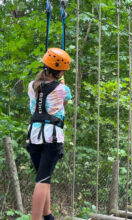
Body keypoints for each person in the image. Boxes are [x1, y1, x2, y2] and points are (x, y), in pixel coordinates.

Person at [26, 48, 71, 220]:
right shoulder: (63, 89)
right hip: (52, 137)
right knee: (43, 180)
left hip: (34, 135)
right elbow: (64, 102)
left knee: (43, 176)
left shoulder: (32, 85)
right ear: (59, 72)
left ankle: (47, 214)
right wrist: (62, 83)